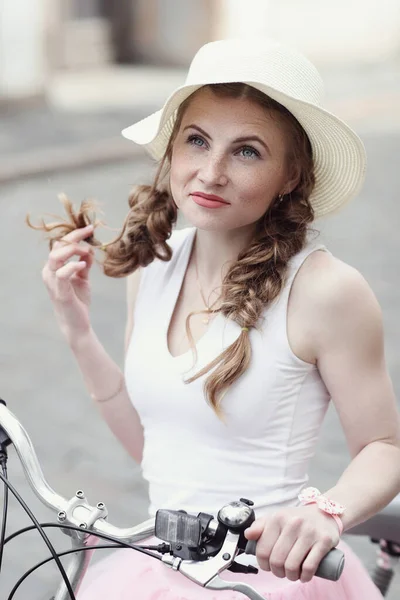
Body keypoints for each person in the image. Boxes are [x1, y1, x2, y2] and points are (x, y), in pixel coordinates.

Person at [31, 38, 400, 599]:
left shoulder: (327, 291)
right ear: (172, 151)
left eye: (247, 151)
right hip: (158, 572)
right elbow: (160, 450)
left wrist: (326, 513)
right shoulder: (153, 267)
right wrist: (77, 330)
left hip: (271, 579)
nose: (211, 172)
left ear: (291, 176)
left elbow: (385, 447)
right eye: (197, 141)